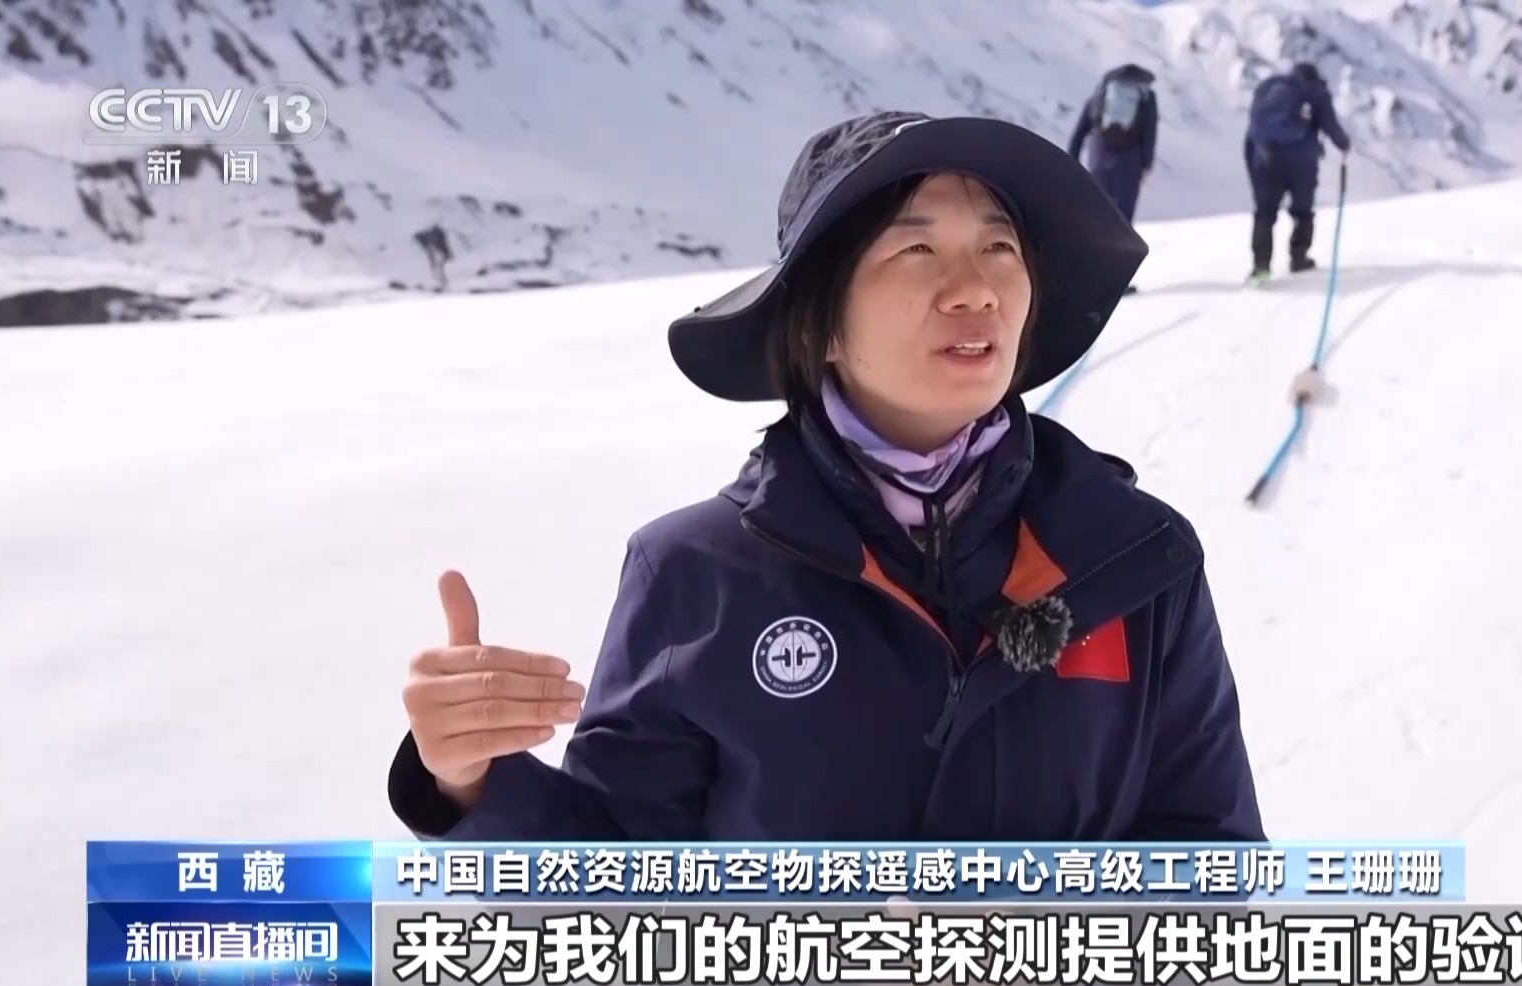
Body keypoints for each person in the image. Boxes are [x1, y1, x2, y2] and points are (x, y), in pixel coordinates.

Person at [388, 109, 1266, 844]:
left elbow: (1212, 865)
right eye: (916, 252)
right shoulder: (697, 574)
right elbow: (622, 895)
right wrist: (467, 782)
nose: (976, 289)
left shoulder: (1133, 558)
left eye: (1000, 247)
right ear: (819, 324)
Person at [1244, 62, 1351, 278]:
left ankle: (1261, 267)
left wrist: (1256, 162)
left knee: (1265, 214)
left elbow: (1252, 133)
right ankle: (1299, 258)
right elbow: (1330, 125)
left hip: (1265, 159)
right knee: (1303, 211)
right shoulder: (1316, 93)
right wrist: (1344, 144)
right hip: (1301, 163)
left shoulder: (1266, 88)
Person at [1066, 63, 1159, 228]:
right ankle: (1123, 243)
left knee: (1098, 207)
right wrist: (1147, 162)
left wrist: (1072, 158)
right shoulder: (1146, 97)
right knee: (1124, 213)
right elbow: (1149, 131)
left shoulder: (1100, 95)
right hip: (1130, 161)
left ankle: (1097, 241)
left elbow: (1080, 130)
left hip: (1099, 157)